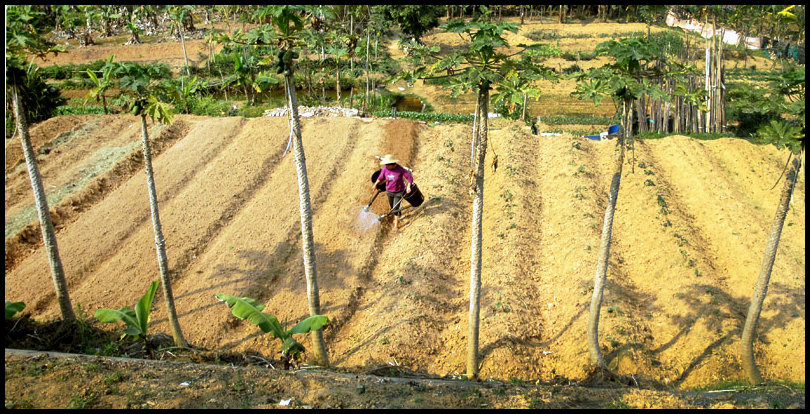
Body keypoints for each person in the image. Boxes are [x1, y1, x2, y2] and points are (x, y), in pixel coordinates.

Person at [371, 154, 413, 231]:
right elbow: (380, 177)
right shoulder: (385, 169)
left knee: (395, 208)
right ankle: (398, 214)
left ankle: (395, 226)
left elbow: (409, 177)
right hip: (389, 191)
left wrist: (408, 186)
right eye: (385, 164)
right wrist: (375, 184)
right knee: (392, 206)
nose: (386, 166)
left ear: (392, 164)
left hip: (399, 192)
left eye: (387, 164)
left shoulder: (400, 169)